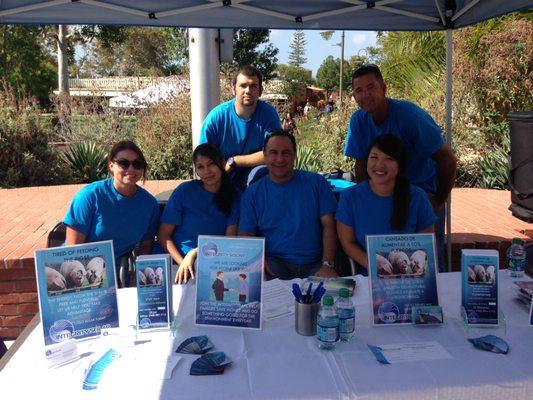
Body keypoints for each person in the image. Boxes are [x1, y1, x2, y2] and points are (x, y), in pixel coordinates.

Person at [344, 64, 457, 272]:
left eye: (370, 87)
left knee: (428, 264)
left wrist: (438, 200)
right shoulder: (358, 120)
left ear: (384, 88)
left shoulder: (411, 118)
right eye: (359, 90)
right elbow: (360, 163)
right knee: (390, 254)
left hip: (422, 193)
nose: (365, 95)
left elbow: (447, 160)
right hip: (385, 196)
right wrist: (365, 197)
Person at [239, 129, 338, 280]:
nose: (280, 159)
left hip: (316, 264)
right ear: (265, 155)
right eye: (273, 153)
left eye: (286, 153)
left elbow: (329, 225)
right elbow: (246, 234)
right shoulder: (252, 193)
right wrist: (258, 260)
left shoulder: (317, 183)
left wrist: (327, 264)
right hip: (273, 265)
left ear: (294, 156)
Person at [63, 140, 160, 287]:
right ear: (111, 166)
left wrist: (138, 276)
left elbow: (146, 247)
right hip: (81, 273)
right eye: (123, 163)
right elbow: (72, 249)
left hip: (120, 276)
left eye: (137, 164)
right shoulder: (90, 196)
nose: (131, 168)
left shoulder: (149, 204)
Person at [336, 135, 436, 274]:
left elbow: (426, 243)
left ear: (400, 165)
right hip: (368, 276)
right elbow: (347, 243)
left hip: (409, 277)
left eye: (389, 159)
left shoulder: (417, 197)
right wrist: (375, 266)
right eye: (374, 157)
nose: (380, 165)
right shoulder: (350, 197)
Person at [158, 144, 240, 284]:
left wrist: (194, 253)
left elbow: (228, 241)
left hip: (212, 263)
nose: (207, 171)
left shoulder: (234, 196)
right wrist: (184, 264)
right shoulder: (184, 191)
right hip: (176, 262)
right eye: (200, 167)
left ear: (222, 163)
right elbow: (163, 235)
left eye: (211, 164)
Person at [199, 65, 281, 189]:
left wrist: (235, 161)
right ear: (233, 89)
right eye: (243, 86)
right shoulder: (216, 117)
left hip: (254, 176)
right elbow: (202, 156)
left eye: (253, 86)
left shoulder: (269, 114)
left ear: (260, 91)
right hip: (221, 177)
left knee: (263, 173)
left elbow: (275, 153)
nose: (248, 90)